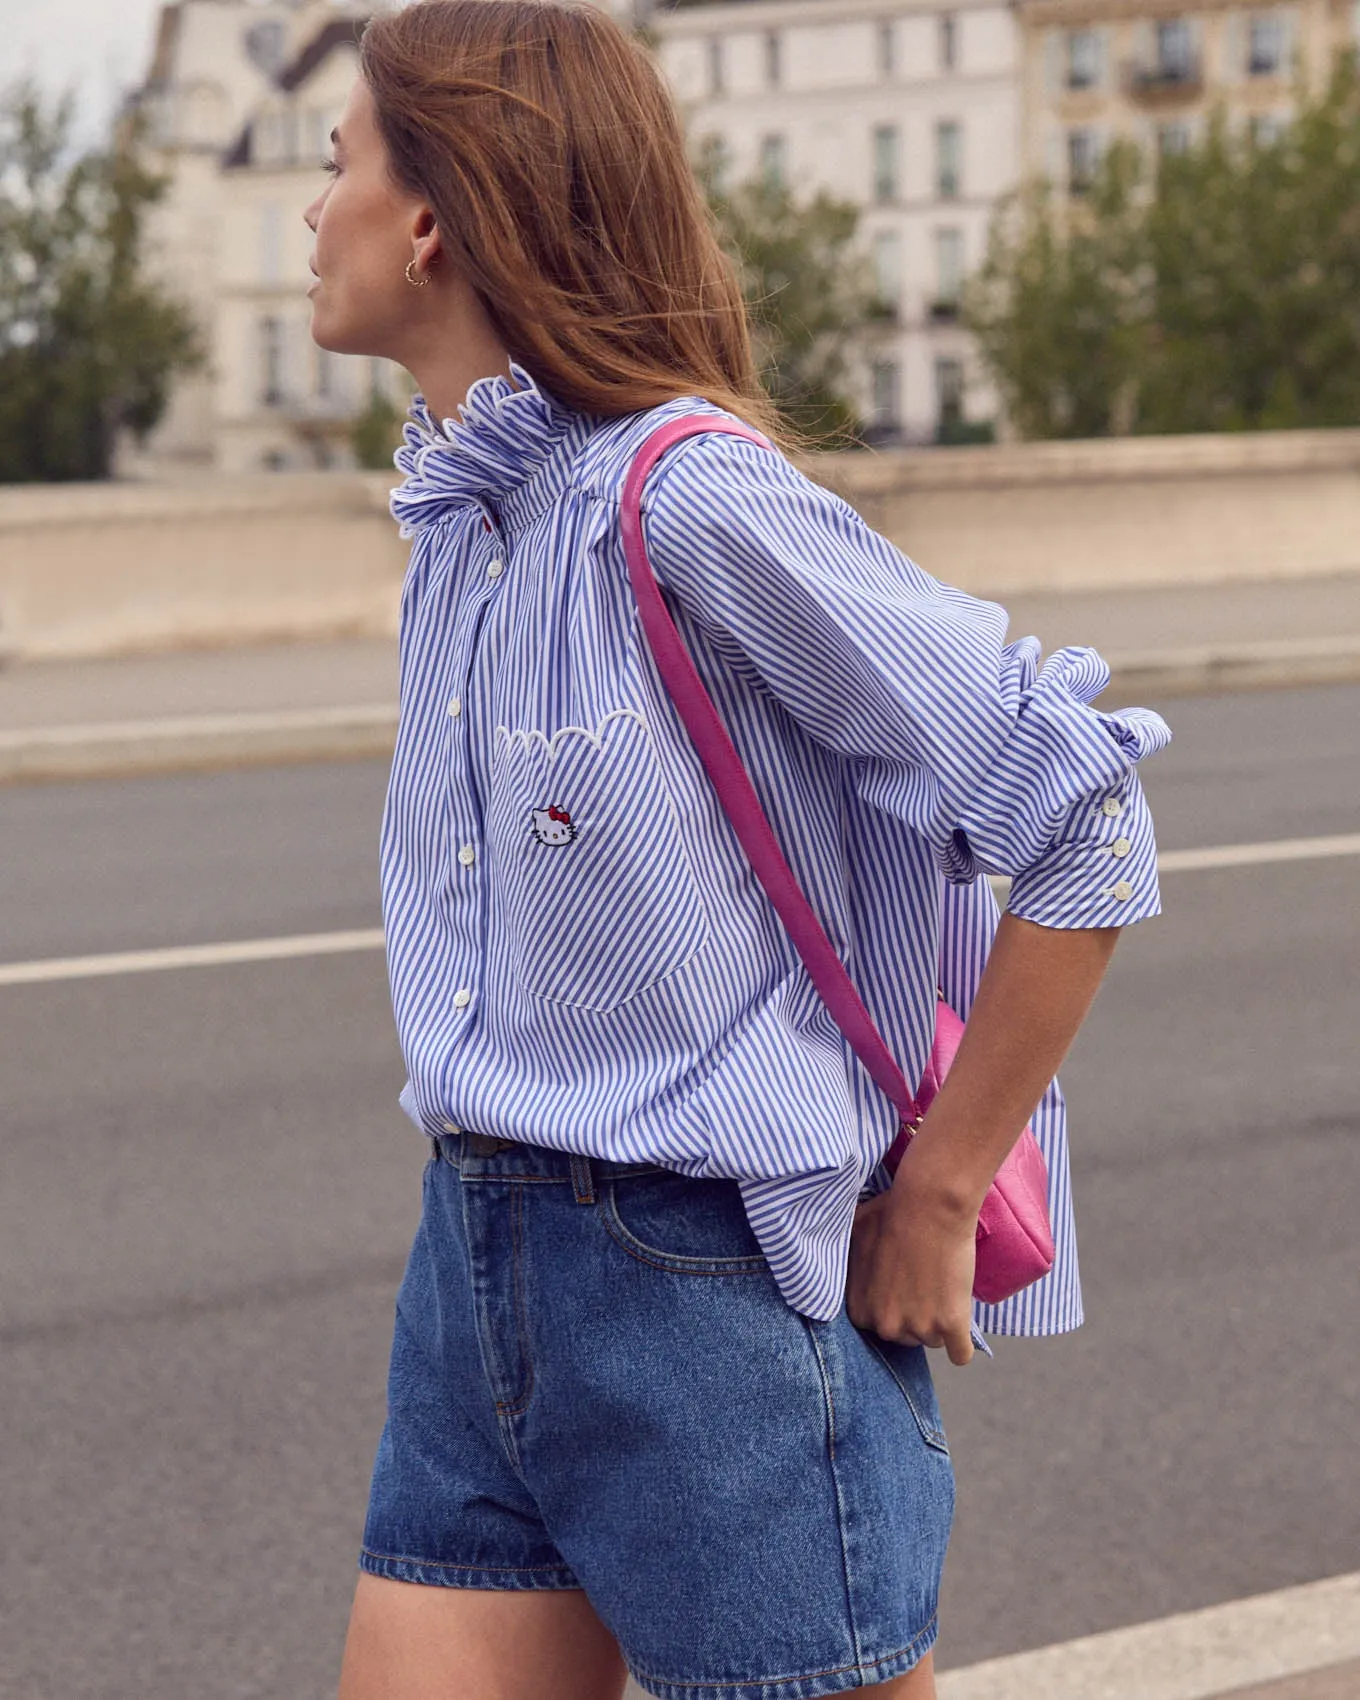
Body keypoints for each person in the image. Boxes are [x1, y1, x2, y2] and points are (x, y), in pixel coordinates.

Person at [303, 4, 1171, 1696]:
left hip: (710, 1303)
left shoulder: (692, 501)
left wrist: (935, 1191)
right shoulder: (465, 532)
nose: (309, 210)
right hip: (477, 1275)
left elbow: (1082, 813)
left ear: (427, 220)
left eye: (336, 165)